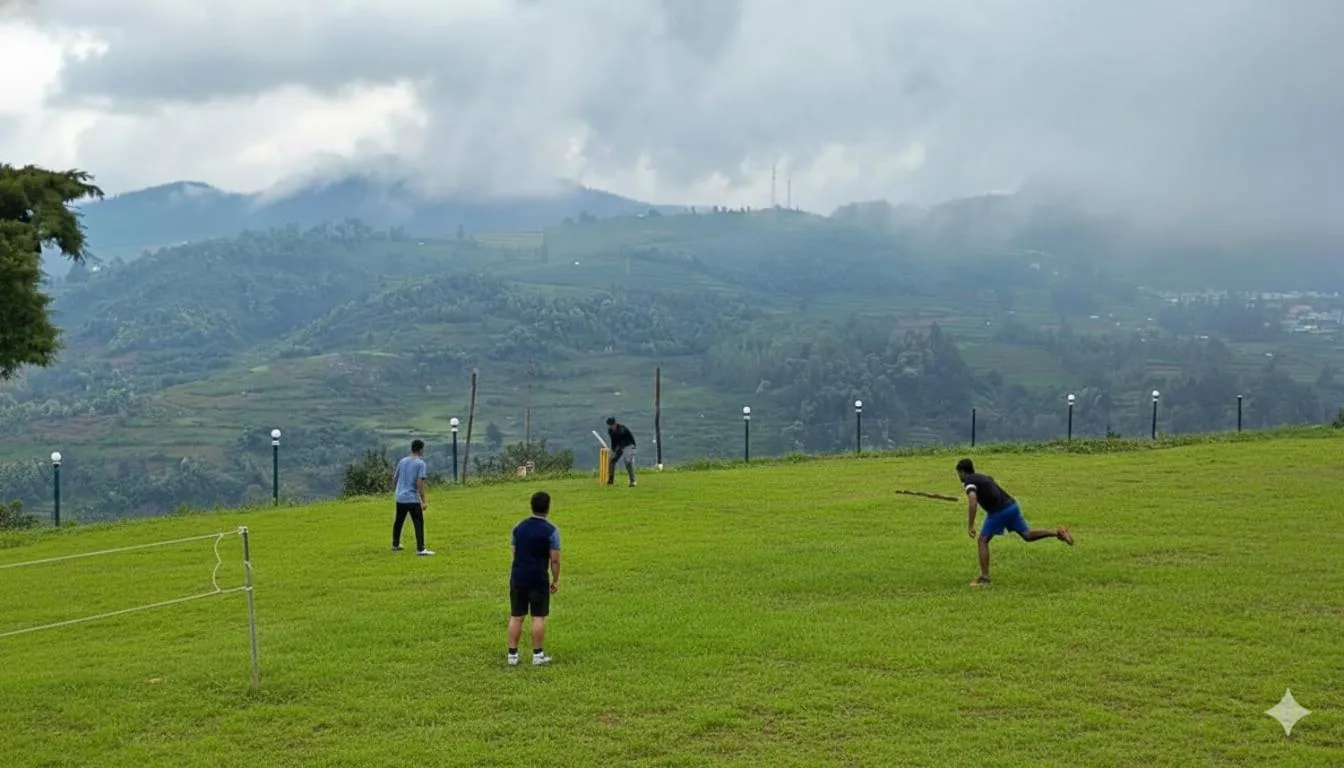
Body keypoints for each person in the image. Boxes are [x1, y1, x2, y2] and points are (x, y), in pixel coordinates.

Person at [957, 458, 1072, 587]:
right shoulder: (983, 477)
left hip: (998, 512)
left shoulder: (969, 481)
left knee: (982, 540)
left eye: (958, 473)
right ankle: (1057, 533)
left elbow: (973, 501)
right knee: (1027, 535)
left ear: (962, 472)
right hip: (1011, 506)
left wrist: (970, 525)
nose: (959, 477)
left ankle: (985, 579)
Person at [507, 491, 561, 666]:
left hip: (518, 576)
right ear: (548, 507)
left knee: (516, 616)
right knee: (538, 616)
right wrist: (555, 579)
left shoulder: (518, 527)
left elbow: (514, 552)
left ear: (531, 505)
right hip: (538, 578)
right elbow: (554, 559)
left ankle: (512, 655)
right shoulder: (551, 531)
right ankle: (537, 655)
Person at [391, 439, 435, 556]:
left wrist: (399, 490)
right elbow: (419, 483)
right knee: (418, 522)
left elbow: (394, 479)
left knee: (399, 521)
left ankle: (395, 544)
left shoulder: (402, 461)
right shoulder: (420, 464)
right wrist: (423, 500)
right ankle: (420, 549)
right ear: (420, 449)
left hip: (400, 497)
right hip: (411, 498)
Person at [605, 417, 637, 486]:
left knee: (627, 461)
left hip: (629, 446)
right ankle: (611, 480)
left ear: (615, 423)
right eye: (610, 425)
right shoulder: (610, 431)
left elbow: (624, 441)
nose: (611, 427)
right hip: (619, 447)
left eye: (612, 425)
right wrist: (613, 451)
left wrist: (618, 448)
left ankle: (632, 481)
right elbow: (613, 441)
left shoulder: (622, 429)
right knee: (612, 460)